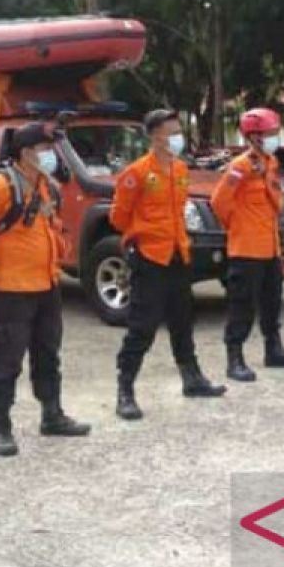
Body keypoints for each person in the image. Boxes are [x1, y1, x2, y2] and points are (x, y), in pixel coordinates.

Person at [0, 122, 91, 457]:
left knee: (48, 354)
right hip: (11, 288)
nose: (50, 156)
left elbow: (53, 226)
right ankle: (1, 427)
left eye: (51, 150)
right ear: (25, 153)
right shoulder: (0, 186)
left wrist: (60, 246)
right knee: (7, 359)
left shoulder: (47, 187)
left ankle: (52, 415)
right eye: (44, 150)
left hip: (47, 284)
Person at [112, 109, 226, 420]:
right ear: (153, 136)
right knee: (142, 327)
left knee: (182, 320)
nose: (177, 137)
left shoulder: (178, 169)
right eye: (171, 131)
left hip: (178, 253)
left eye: (179, 130)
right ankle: (125, 389)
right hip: (150, 257)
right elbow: (118, 217)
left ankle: (192, 378)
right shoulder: (136, 173)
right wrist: (142, 234)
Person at [210, 108, 284, 382]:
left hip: (270, 247)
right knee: (242, 304)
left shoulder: (271, 164)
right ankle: (235, 358)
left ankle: (273, 349)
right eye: (271, 134)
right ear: (253, 136)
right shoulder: (240, 166)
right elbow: (219, 203)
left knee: (272, 301)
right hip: (246, 249)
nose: (276, 138)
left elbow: (275, 202)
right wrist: (239, 226)